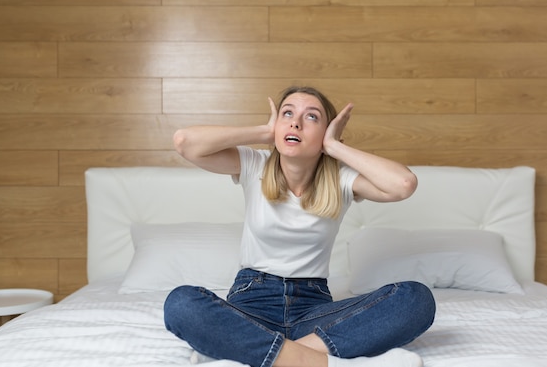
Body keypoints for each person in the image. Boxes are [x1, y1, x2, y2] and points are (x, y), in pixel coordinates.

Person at [164, 86, 435, 367]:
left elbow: (403, 184)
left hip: (313, 309)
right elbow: (185, 141)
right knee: (181, 303)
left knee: (416, 300)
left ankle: (255, 352)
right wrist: (264, 132)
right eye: (288, 114)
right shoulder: (255, 164)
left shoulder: (341, 178)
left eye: (312, 117)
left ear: (326, 132)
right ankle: (325, 362)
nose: (295, 122)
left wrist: (334, 147)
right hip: (251, 303)